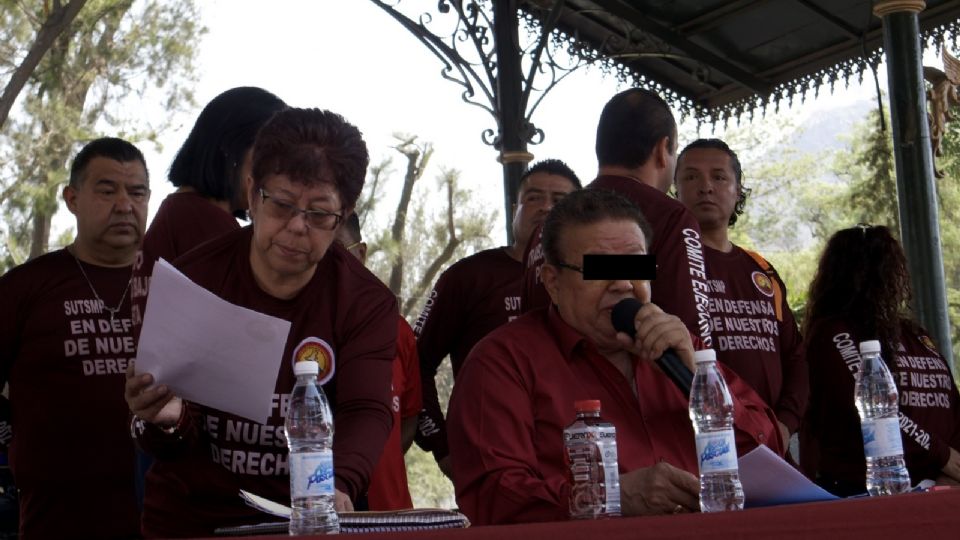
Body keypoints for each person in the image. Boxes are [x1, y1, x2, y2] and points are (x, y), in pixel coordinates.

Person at [125, 108, 397, 537]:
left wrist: (340, 485)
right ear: (252, 194)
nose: (296, 227)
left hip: (306, 521)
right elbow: (165, 440)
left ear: (343, 217)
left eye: (320, 214)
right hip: (194, 522)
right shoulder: (195, 280)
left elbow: (366, 409)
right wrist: (164, 419)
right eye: (282, 204)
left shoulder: (365, 302)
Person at [448, 189, 783, 526]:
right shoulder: (502, 363)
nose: (623, 283)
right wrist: (610, 497)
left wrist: (699, 380)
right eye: (599, 269)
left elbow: (771, 452)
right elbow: (491, 496)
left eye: (635, 266)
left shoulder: (680, 347)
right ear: (552, 282)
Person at [0, 137, 150, 538]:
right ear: (71, 198)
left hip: (162, 517)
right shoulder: (24, 288)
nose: (124, 205)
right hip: (56, 521)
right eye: (107, 191)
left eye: (136, 193)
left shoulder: (175, 285)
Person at [413, 159, 581, 475]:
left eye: (560, 201)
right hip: (492, 461)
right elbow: (413, 361)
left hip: (580, 458)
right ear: (514, 206)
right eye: (533, 198)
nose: (546, 208)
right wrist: (442, 445)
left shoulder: (600, 276)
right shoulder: (467, 276)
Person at [522, 89, 712, 352]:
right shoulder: (669, 217)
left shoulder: (549, 224)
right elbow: (689, 336)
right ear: (662, 150)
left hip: (535, 378)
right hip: (620, 387)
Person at [800, 225, 960, 496]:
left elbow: (951, 405)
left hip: (938, 487)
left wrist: (948, 468)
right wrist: (941, 454)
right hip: (866, 491)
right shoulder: (834, 333)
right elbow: (872, 407)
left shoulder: (915, 334)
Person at [674, 138, 807, 452]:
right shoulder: (660, 262)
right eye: (691, 177)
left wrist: (785, 425)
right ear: (674, 191)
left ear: (738, 191)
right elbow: (591, 268)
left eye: (719, 177)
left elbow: (797, 359)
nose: (705, 187)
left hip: (774, 446)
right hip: (700, 447)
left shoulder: (763, 270)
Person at [130, 86, 286, 328]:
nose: (277, 172)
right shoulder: (204, 222)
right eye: (267, 156)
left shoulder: (180, 212)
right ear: (232, 149)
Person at [334, 213, 420, 510]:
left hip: (391, 511)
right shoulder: (293, 331)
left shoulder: (399, 331)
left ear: (360, 253)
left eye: (336, 251)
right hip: (321, 512)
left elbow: (409, 417)